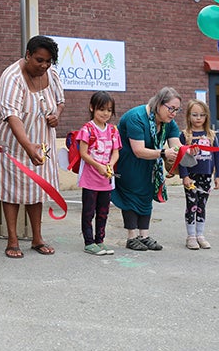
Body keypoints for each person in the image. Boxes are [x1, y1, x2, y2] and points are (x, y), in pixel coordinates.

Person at [0, 35, 64, 258]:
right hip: (11, 143)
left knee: (37, 189)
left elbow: (60, 102)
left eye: (48, 61)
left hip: (41, 140)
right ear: (27, 55)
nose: (44, 66)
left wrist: (56, 115)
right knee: (11, 189)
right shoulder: (11, 77)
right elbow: (11, 115)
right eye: (39, 60)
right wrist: (28, 146)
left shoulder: (52, 74)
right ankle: (12, 240)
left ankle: (37, 238)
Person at [111, 87, 182, 251]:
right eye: (171, 108)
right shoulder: (136, 117)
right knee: (130, 197)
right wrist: (164, 153)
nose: (173, 113)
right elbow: (138, 150)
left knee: (146, 197)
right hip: (128, 163)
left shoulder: (169, 123)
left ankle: (144, 235)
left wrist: (187, 152)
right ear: (159, 104)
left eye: (177, 110)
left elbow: (177, 146)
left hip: (149, 165)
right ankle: (132, 236)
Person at [77, 91, 121, 255]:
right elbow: (83, 153)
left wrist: (110, 164)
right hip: (90, 179)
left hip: (106, 180)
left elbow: (115, 152)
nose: (105, 113)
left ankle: (100, 241)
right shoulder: (87, 129)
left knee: (103, 212)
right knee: (89, 211)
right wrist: (99, 166)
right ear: (92, 108)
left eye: (109, 110)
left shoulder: (113, 131)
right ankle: (89, 242)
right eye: (101, 109)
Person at [179, 99, 219, 250]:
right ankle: (191, 236)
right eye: (195, 115)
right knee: (192, 204)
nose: (198, 118)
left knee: (202, 205)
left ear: (206, 117)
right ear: (188, 116)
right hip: (191, 176)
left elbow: (217, 156)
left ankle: (200, 235)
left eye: (202, 115)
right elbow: (181, 157)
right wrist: (184, 176)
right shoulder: (184, 136)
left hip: (206, 176)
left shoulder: (211, 135)